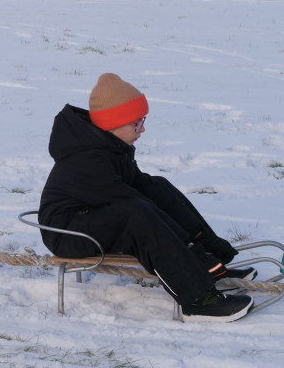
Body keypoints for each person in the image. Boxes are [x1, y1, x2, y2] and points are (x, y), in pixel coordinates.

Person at [39, 73, 254, 322]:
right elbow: (137, 207)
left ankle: (211, 265)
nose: (143, 129)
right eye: (137, 122)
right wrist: (193, 253)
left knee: (156, 187)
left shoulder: (111, 147)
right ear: (114, 123)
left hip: (91, 217)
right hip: (68, 232)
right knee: (137, 214)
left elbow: (143, 191)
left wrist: (206, 249)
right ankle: (197, 300)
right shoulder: (87, 161)